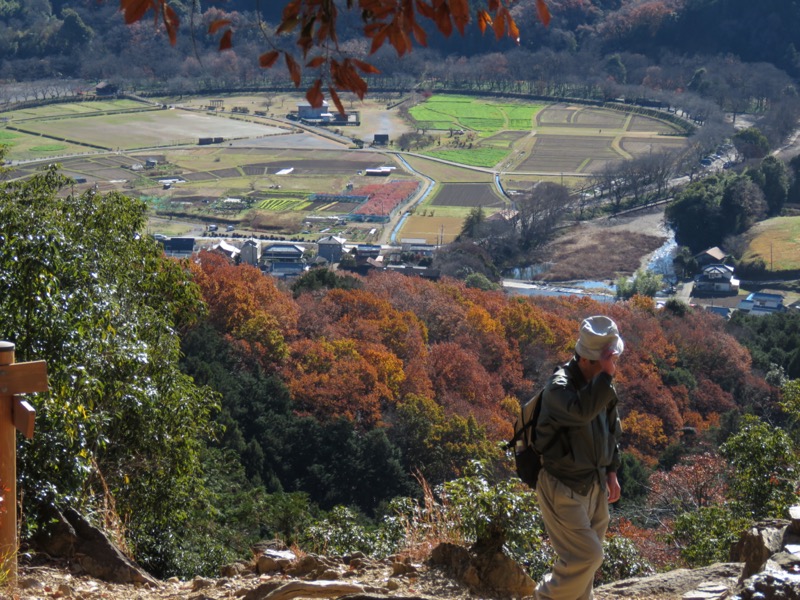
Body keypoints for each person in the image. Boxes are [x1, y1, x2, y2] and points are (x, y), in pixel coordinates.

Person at [534, 315, 624, 600]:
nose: (612, 366)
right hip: (564, 486)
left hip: (594, 484)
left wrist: (612, 472)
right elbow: (581, 412)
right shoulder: (559, 389)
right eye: (607, 360)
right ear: (586, 359)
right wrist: (606, 377)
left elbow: (612, 429)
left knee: (585, 567)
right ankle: (545, 597)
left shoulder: (601, 385)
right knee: (586, 557)